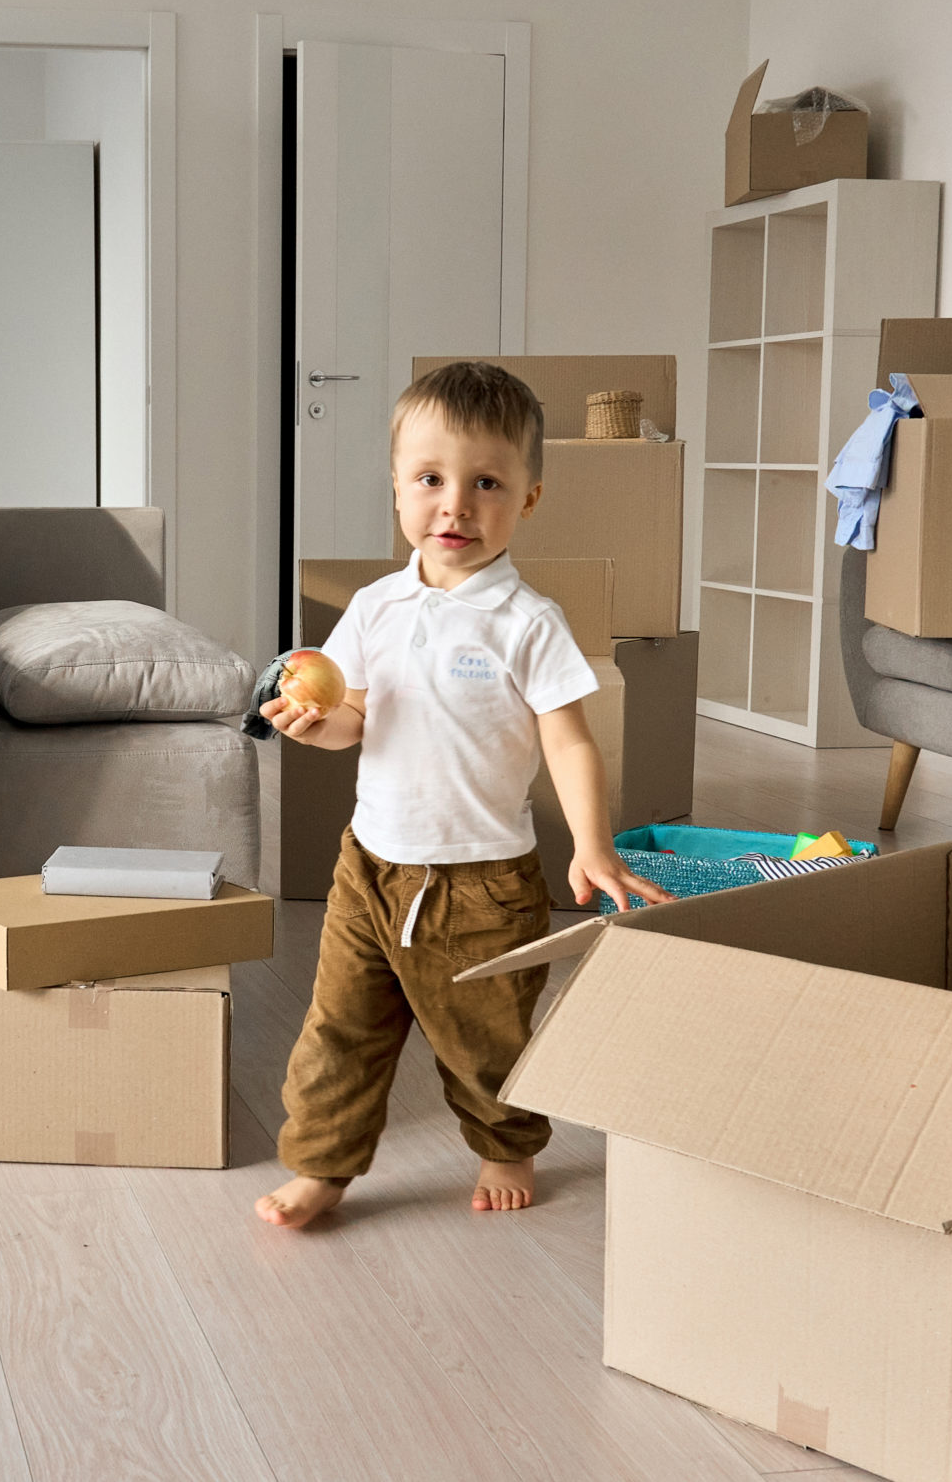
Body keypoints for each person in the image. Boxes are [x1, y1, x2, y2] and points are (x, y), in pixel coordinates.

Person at [252, 361, 672, 1227]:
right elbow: (355, 716)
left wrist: (593, 844)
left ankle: (506, 1141)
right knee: (339, 1028)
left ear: (529, 498)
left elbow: (570, 738)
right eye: (431, 480)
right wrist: (311, 722)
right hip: (369, 867)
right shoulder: (374, 606)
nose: (456, 505)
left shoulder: (527, 621)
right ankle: (325, 1164)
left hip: (482, 882)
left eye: (487, 483)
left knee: (485, 1039)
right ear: (398, 489)